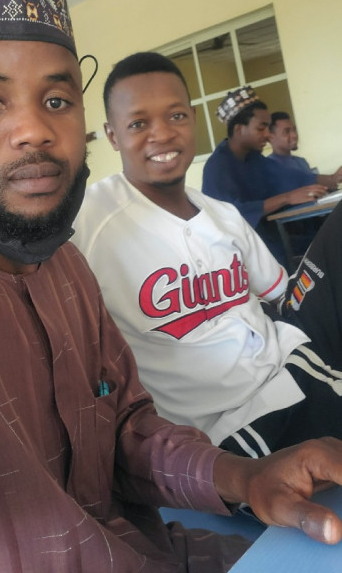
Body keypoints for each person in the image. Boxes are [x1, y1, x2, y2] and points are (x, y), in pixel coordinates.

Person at [0, 0, 342, 573]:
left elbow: (127, 429)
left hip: (158, 547)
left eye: (56, 100)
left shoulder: (65, 265)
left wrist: (244, 478)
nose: (34, 129)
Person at [73, 51, 342, 463]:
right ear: (112, 136)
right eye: (139, 124)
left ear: (193, 119)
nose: (162, 134)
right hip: (227, 429)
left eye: (176, 116)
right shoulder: (89, 220)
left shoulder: (223, 216)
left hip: (292, 367)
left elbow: (282, 295)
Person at [201, 87, 326, 266]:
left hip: (271, 241)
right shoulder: (217, 167)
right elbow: (231, 215)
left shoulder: (254, 159)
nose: (268, 135)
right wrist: (287, 198)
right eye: (261, 128)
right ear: (239, 129)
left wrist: (330, 179)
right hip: (241, 256)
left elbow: (289, 177)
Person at [268, 111, 342, 191]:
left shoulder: (301, 161)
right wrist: (332, 178)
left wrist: (332, 183)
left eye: (294, 130)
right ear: (271, 137)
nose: (294, 135)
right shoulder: (270, 166)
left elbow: (312, 187)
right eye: (287, 131)